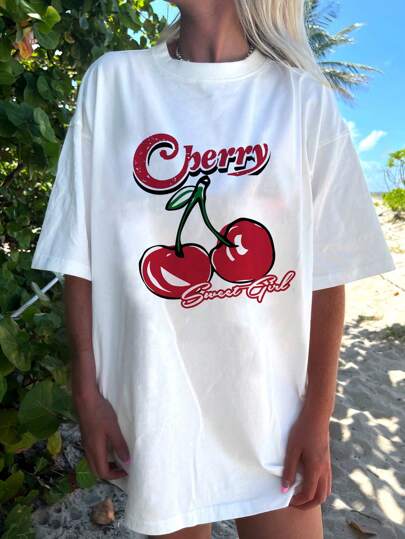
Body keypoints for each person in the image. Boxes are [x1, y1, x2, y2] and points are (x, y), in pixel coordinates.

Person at [30, 1, 396, 538]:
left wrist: (317, 416)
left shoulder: (304, 102)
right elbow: (77, 254)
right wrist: (87, 392)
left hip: (273, 416)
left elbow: (328, 272)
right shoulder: (114, 84)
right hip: (159, 407)